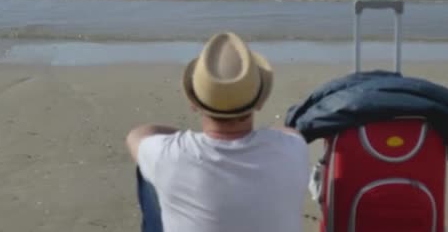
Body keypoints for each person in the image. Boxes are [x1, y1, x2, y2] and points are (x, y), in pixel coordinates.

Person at [126, 31, 310, 232]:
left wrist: (188, 138)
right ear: (260, 102)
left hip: (174, 157)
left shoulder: (169, 155)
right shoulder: (293, 148)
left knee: (149, 171)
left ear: (193, 103)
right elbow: (288, 132)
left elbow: (137, 135)